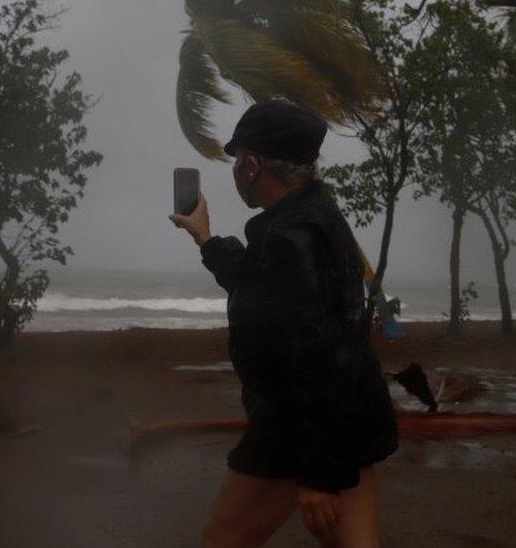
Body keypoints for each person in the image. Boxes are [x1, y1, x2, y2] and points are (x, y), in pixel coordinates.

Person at [170, 101, 399, 547]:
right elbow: (262, 283)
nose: (236, 170)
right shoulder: (313, 219)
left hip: (298, 429)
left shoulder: (293, 236)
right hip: (347, 419)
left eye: (238, 160)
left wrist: (318, 473)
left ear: (253, 165)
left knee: (221, 541)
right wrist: (207, 238)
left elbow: (323, 354)